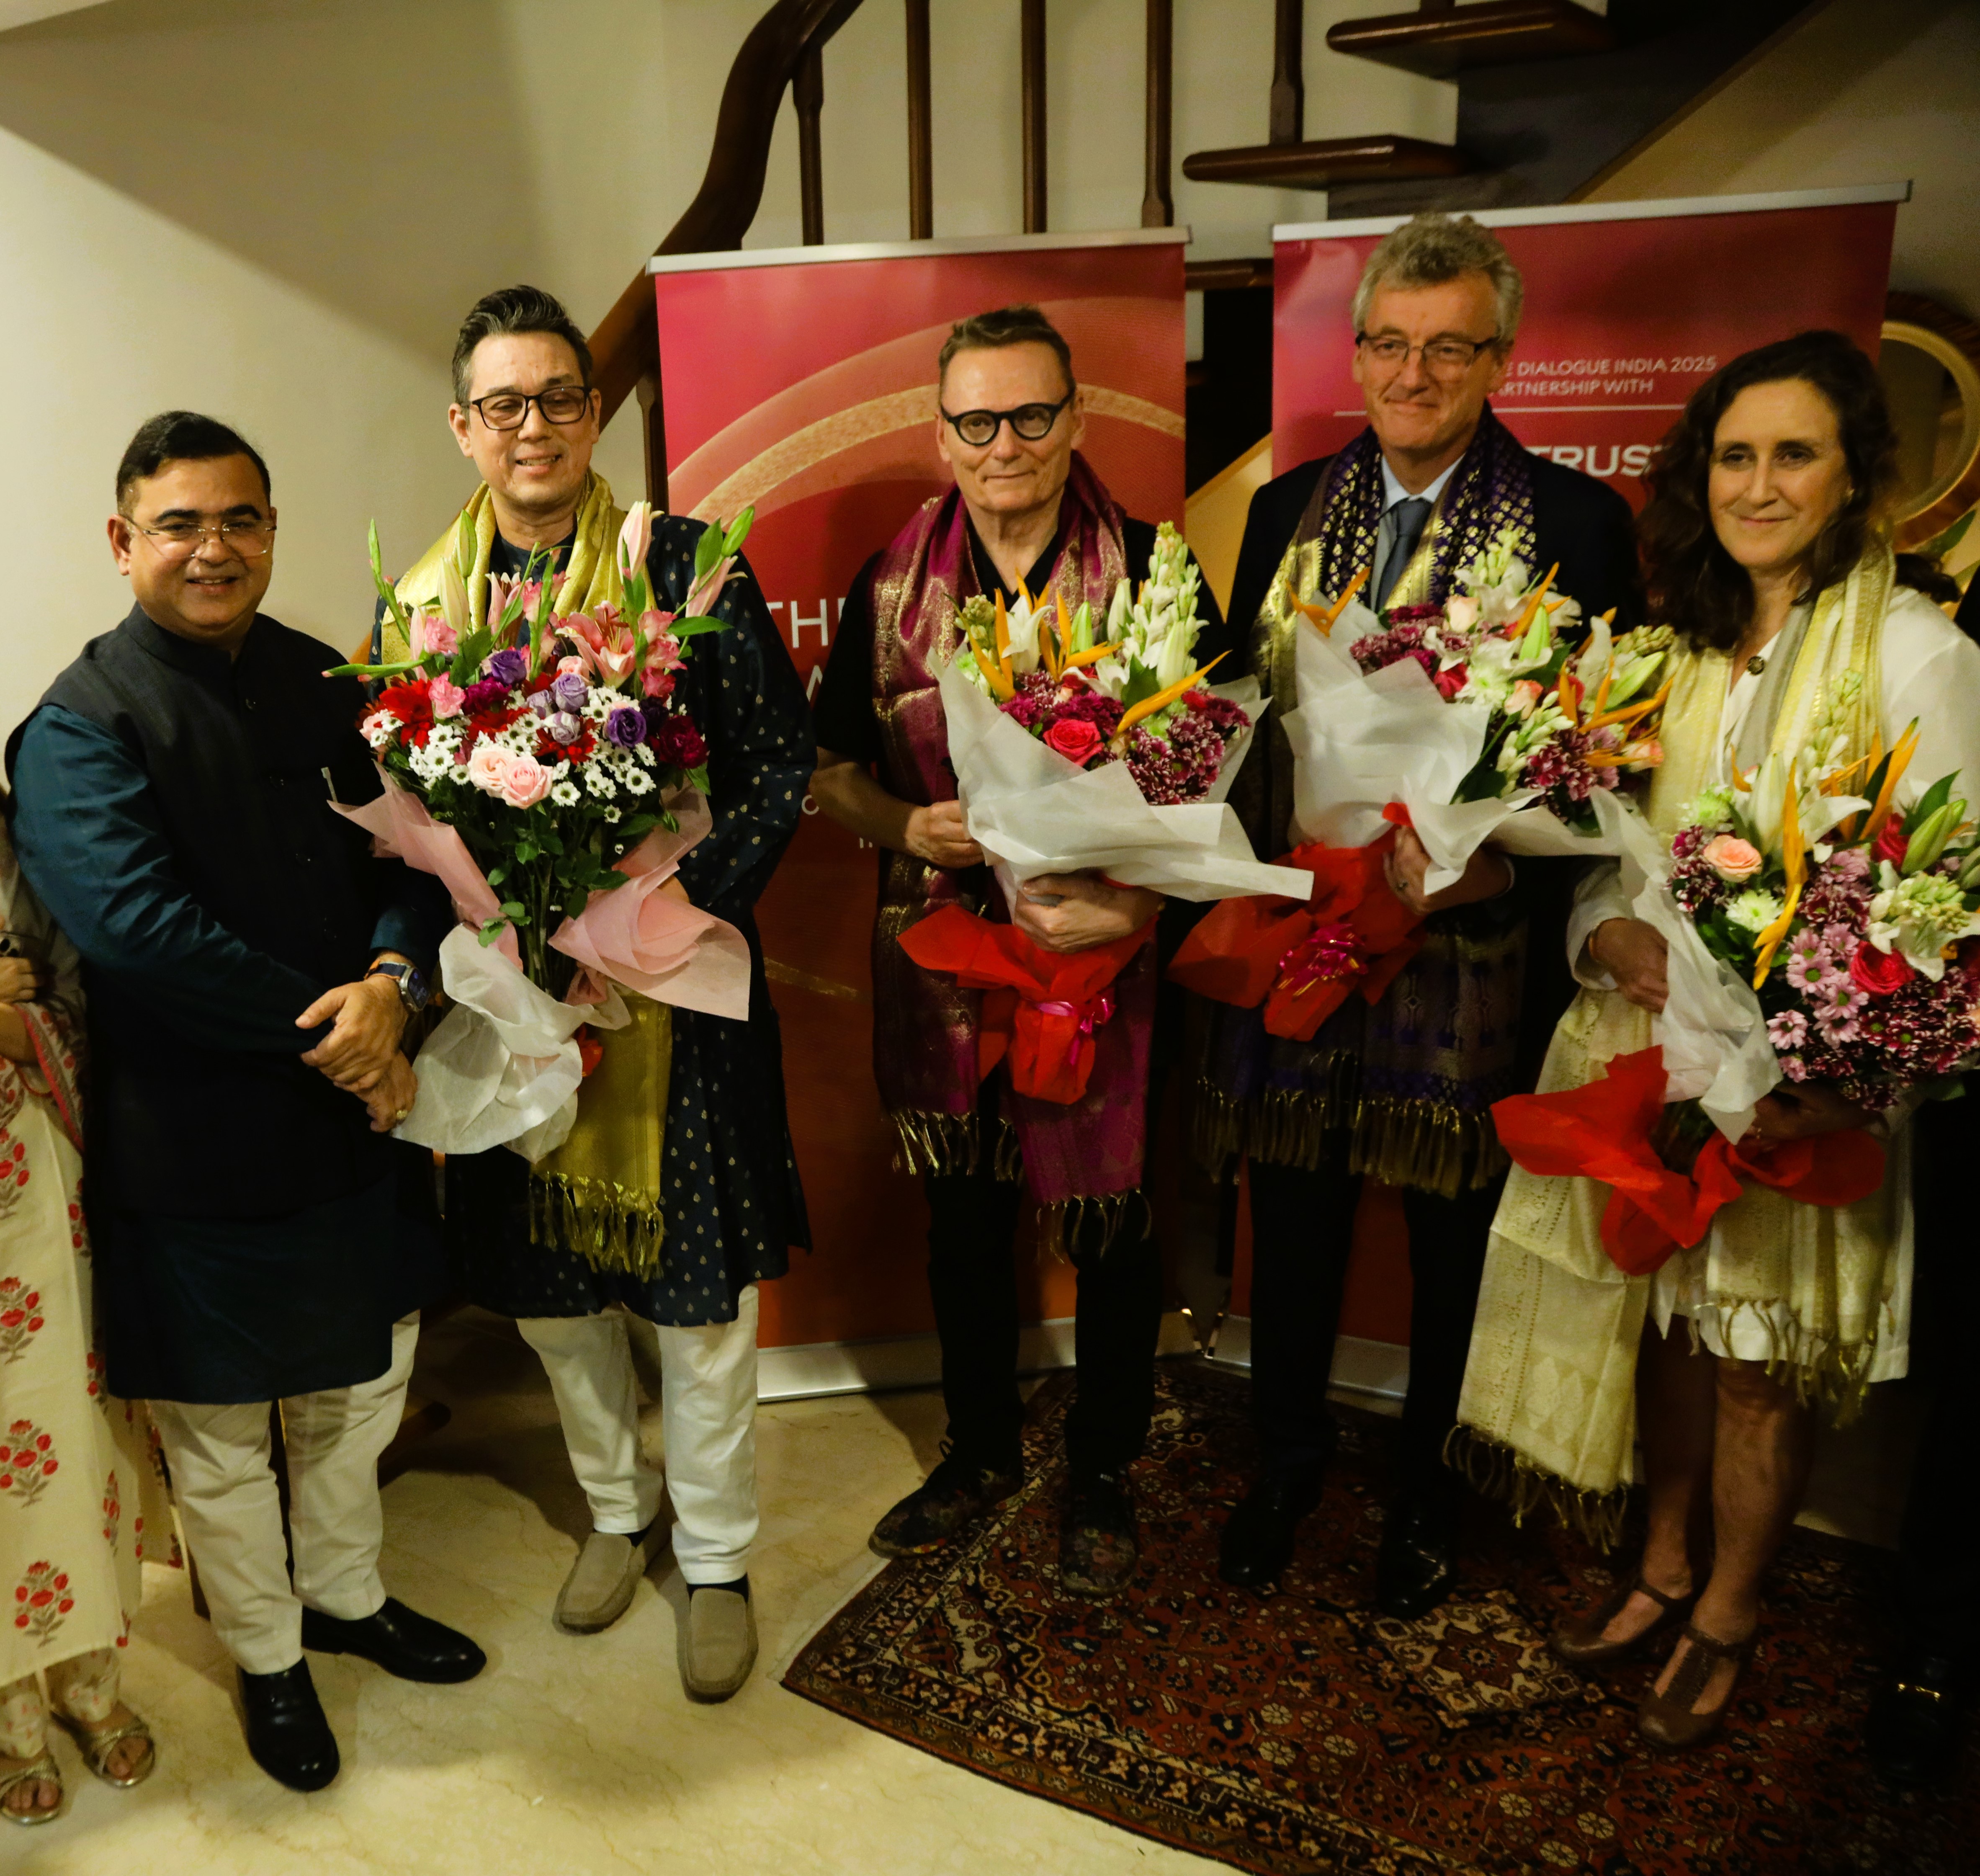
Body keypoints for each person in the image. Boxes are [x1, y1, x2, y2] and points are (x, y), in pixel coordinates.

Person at [1457, 330, 1980, 1749]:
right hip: (1656, 1048)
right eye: (1735, 456)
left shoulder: (1925, 653)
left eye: (1793, 454)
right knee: (1668, 1340)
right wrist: (1603, 940)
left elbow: (1938, 895)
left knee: (1754, 1358)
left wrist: (1830, 1070)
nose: (1760, 485)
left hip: (1802, 1087)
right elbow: (1615, 865)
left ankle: (1731, 1609)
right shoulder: (1674, 646)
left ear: (1852, 473)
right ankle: (1663, 1564)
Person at [6, 412, 483, 1793]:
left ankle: (348, 1597)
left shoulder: (322, 676)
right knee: (223, 1433)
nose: (214, 549)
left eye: (242, 520)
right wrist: (346, 1034)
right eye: (180, 524)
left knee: (359, 1386)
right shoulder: (79, 727)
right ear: (122, 543)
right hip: (199, 1133)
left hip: (354, 1107)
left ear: (270, 531)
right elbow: (139, 930)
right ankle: (270, 1661)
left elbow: (409, 846)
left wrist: (395, 973)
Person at [1203, 212, 1644, 1617]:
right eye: (1390, 344)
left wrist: (1494, 864)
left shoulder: (1577, 526)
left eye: (1447, 347)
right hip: (1311, 921)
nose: (1413, 374)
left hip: (1473, 943)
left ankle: (1424, 1501)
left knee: (1451, 1233)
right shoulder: (1284, 508)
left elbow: (1610, 759)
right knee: (1298, 1206)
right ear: (1360, 350)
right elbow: (1234, 713)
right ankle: (1285, 1464)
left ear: (1500, 356)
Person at [391, 286, 811, 1700]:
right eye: (502, 404)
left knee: (694, 1311)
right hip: (519, 1002)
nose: (535, 428)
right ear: (462, 428)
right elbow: (413, 808)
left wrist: (666, 915)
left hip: (670, 994)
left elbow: (775, 767)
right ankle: (616, 1517)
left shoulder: (684, 568)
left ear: (600, 409)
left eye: (561, 397)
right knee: (557, 1302)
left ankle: (721, 1557)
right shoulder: (419, 606)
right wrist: (509, 932)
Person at [810, 304, 1232, 1598]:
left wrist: (1143, 907)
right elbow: (828, 773)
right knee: (962, 1222)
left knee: (1110, 1225)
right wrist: (904, 819)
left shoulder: (1158, 573)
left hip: (1102, 966)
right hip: (942, 961)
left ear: (1075, 420)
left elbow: (1218, 791)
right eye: (977, 421)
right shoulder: (890, 587)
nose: (1006, 445)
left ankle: (1100, 1468)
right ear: (942, 434)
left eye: (1032, 416)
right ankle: (981, 1448)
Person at [0, 815, 171, 1825]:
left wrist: (22, 1018)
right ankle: (11, 1714)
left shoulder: (21, 832)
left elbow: (83, 990)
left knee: (61, 1427)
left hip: (32, 1180)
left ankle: (87, 1682)